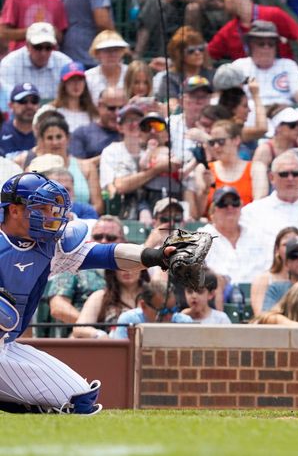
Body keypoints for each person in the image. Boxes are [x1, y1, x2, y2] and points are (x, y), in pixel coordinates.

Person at [0, 171, 187, 414]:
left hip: (4, 347)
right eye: (42, 208)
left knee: (79, 398)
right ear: (14, 210)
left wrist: (156, 256)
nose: (51, 216)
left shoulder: (49, 245)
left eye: (51, 209)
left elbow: (107, 254)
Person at [44, 216, 125, 338]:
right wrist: (92, 327)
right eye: (98, 237)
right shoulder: (73, 265)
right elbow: (58, 307)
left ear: (123, 241)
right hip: (78, 340)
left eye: (111, 238)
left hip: (121, 337)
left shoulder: (129, 272)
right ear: (91, 239)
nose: (103, 241)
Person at [195, 119, 268, 214]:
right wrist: (205, 189)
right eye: (212, 143)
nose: (216, 146)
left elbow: (259, 204)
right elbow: (198, 214)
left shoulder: (256, 168)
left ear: (236, 140)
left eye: (221, 141)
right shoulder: (204, 169)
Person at [231, 21, 298, 107]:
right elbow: (232, 99)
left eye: (271, 44)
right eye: (261, 44)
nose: (266, 48)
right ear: (251, 46)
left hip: (284, 112)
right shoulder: (239, 66)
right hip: (250, 113)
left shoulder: (288, 65)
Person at [0, 23, 73, 101]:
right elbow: (7, 100)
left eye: (48, 47)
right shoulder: (10, 63)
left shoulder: (64, 63)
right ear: (28, 45)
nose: (43, 53)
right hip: (21, 111)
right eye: (38, 47)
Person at [109, 279, 194, 338]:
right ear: (143, 306)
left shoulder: (184, 323)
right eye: (162, 312)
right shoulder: (129, 320)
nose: (169, 317)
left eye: (173, 310)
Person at [153, 27, 216, 107]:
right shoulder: (169, 79)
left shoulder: (212, 75)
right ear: (179, 54)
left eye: (200, 49)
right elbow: (172, 107)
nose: (197, 53)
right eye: (191, 50)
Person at [250, 226, 298, 317]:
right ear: (277, 250)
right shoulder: (263, 279)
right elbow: (260, 316)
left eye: (295, 244)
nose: (291, 248)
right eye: (286, 244)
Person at [84, 30, 129, 103]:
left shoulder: (131, 73)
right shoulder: (88, 77)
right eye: (107, 50)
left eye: (116, 50)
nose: (112, 54)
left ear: (122, 52)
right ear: (96, 53)